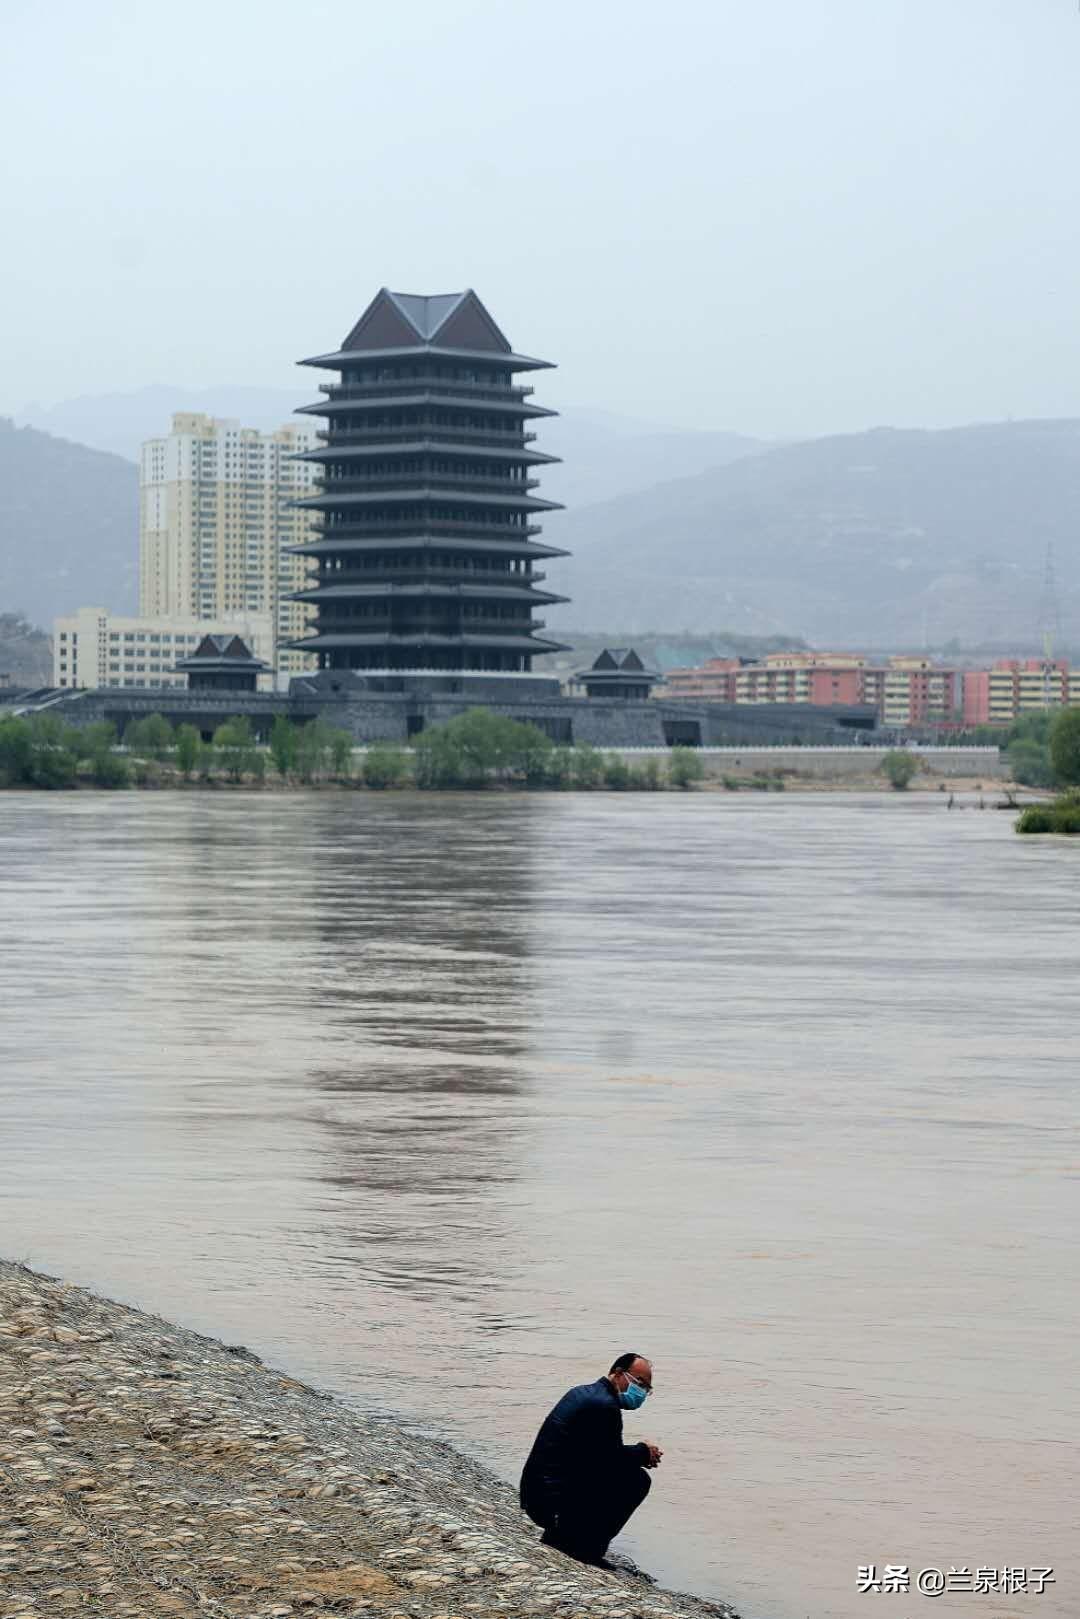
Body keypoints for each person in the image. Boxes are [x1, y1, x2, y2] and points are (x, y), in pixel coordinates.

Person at [519, 1352, 662, 1568]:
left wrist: (638, 1454)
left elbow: (597, 1455)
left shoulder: (585, 1393)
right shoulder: (603, 1406)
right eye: (639, 1383)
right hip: (549, 1499)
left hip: (539, 1490)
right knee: (637, 1481)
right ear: (618, 1373)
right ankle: (584, 1548)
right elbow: (607, 1461)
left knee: (622, 1474)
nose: (641, 1391)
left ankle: (565, 1536)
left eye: (646, 1388)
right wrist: (643, 1453)